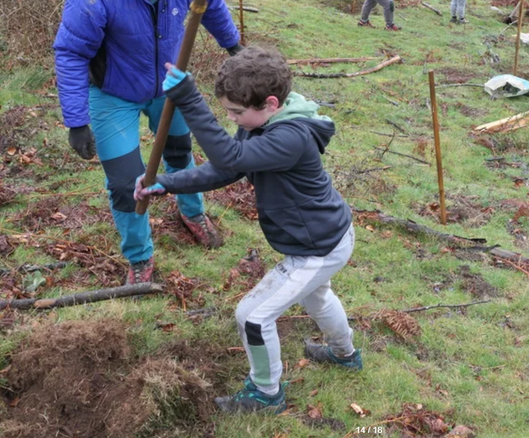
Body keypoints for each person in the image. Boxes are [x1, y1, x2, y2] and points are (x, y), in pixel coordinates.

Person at [134, 47, 360, 414]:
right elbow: (226, 170)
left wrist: (190, 100)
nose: (233, 120)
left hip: (319, 246)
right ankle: (344, 354)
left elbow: (231, 158)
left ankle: (266, 393)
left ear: (271, 103)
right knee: (317, 297)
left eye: (237, 112)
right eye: (227, 112)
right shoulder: (263, 125)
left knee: (252, 317)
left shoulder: (292, 137)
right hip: (325, 235)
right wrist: (167, 183)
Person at [53, 0, 243, 285]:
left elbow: (212, 5)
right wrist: (76, 119)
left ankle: (192, 212)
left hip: (168, 86)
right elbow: (71, 53)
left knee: (179, 153)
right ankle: (139, 258)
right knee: (126, 183)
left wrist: (235, 49)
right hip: (112, 92)